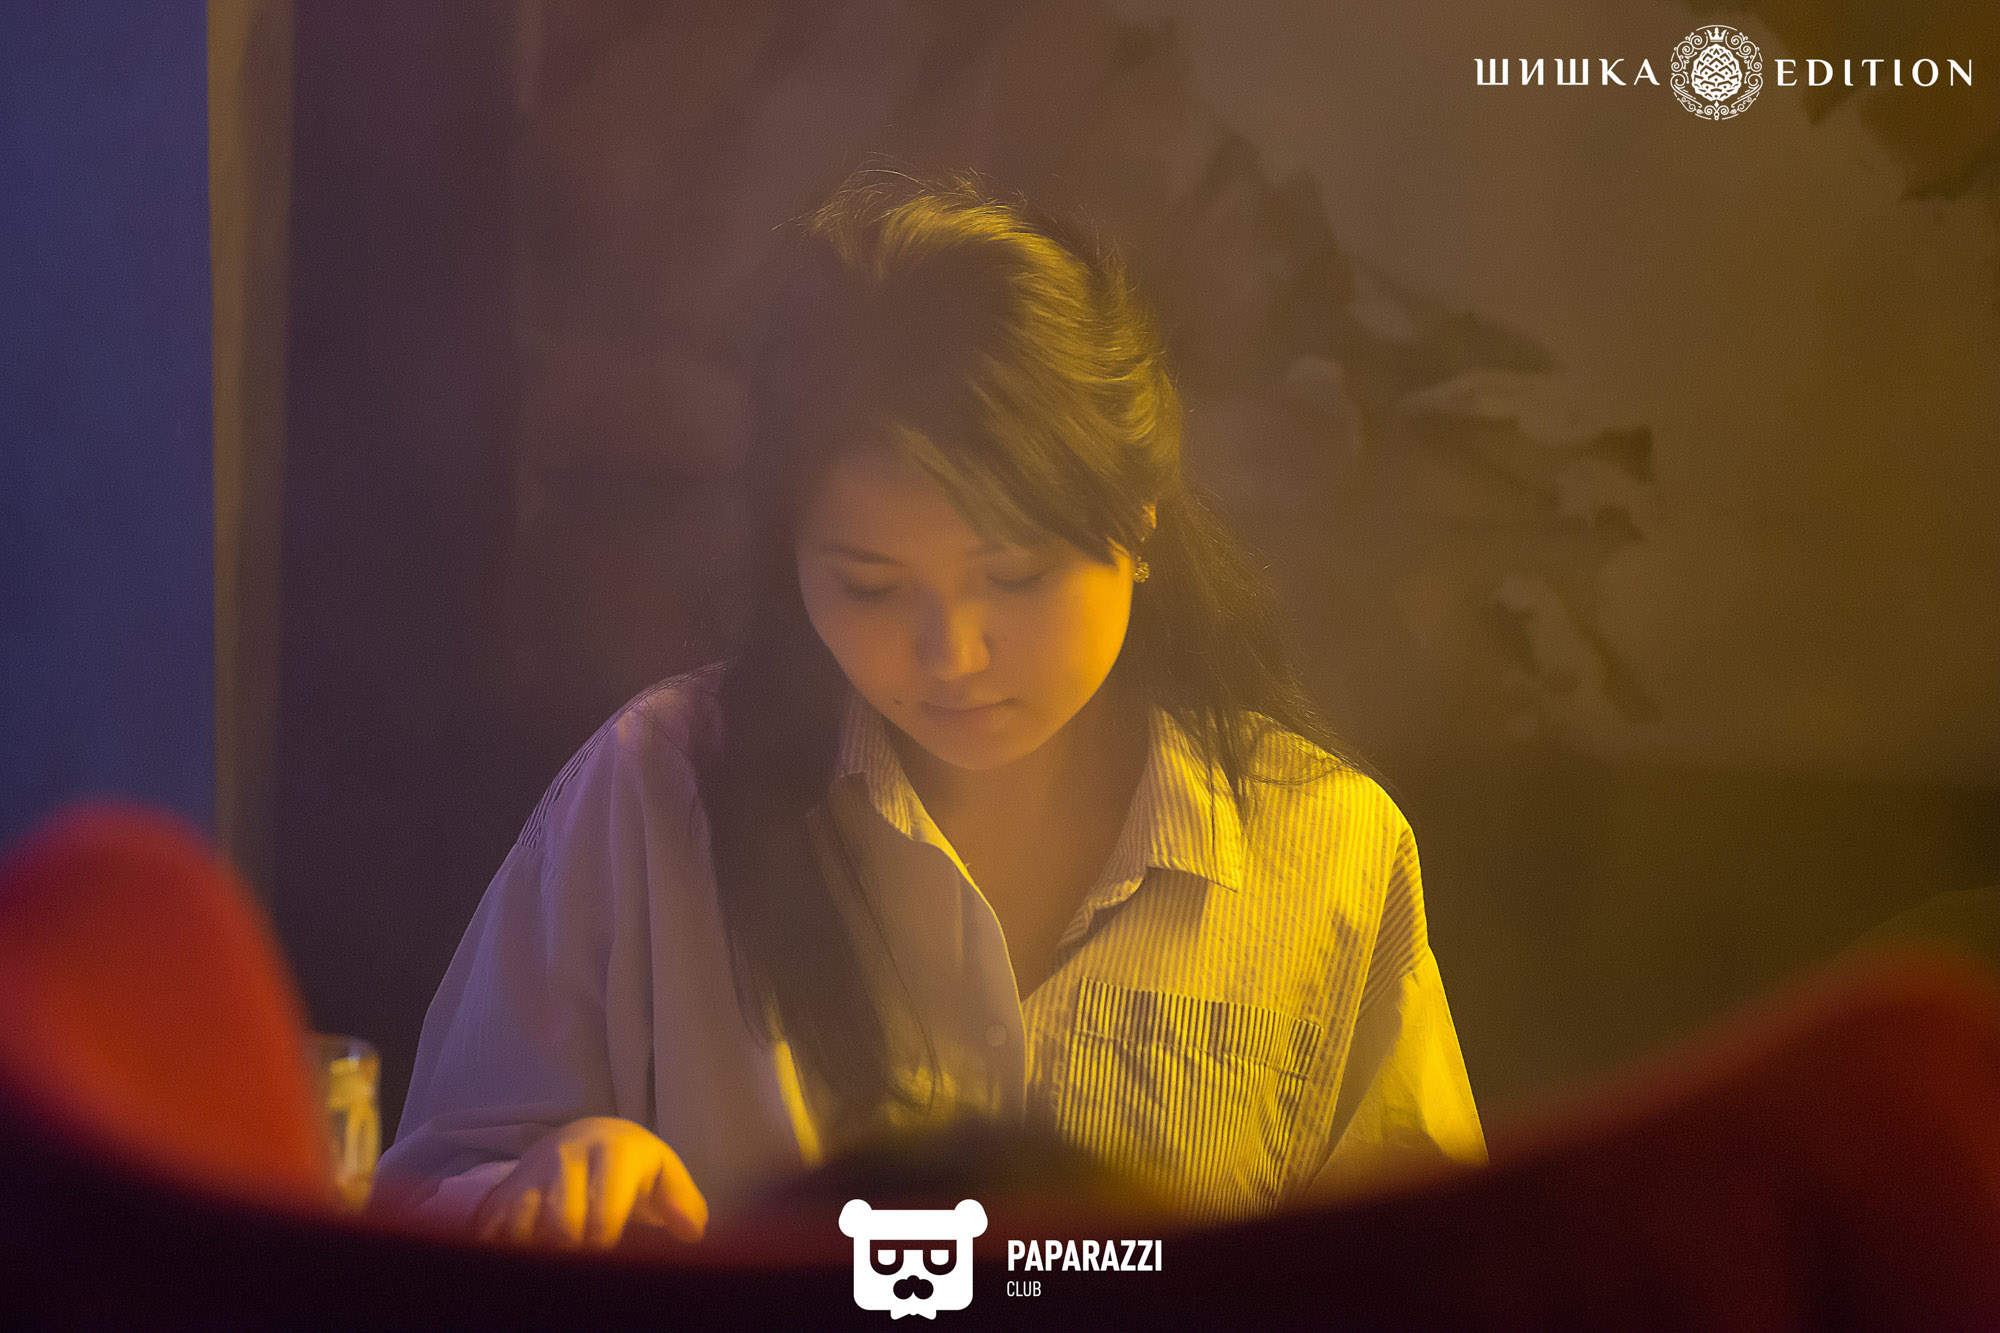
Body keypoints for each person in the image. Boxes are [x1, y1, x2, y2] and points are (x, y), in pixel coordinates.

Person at [373, 168, 1485, 1248]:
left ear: (1142, 518)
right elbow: (415, 1207)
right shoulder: (656, 790)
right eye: (869, 586)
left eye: (1015, 578)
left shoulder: (1325, 852)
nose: (950, 653)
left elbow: (1436, 1272)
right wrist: (541, 1188)